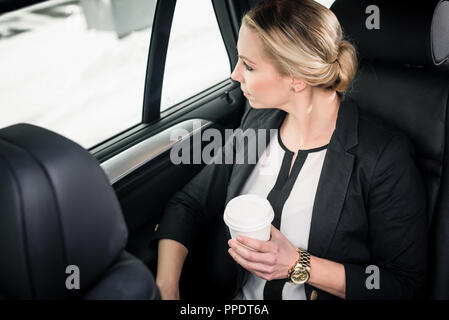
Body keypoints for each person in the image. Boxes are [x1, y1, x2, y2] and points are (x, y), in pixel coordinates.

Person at [151, 0, 427, 300]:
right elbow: (188, 204)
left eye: (249, 65)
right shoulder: (257, 123)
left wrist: (299, 263)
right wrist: (167, 288)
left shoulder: (383, 157)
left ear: (296, 77)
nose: (235, 75)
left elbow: (403, 286)